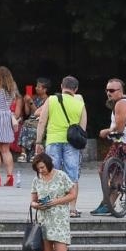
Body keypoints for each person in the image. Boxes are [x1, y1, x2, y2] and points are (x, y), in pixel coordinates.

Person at [35, 75, 86, 217]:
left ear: (61, 86)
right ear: (76, 89)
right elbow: (82, 128)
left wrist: (39, 142)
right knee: (72, 175)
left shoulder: (51, 100)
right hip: (72, 143)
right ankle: (72, 209)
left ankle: (50, 205)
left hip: (53, 141)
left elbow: (41, 122)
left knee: (51, 172)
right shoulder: (80, 104)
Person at [30, 152, 79, 251]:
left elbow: (72, 194)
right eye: (38, 168)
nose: (41, 170)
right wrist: (36, 205)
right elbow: (33, 200)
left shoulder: (61, 175)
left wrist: (56, 201)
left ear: (48, 164)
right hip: (43, 220)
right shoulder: (37, 180)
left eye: (42, 167)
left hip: (59, 220)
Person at [91, 77, 126, 216]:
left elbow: (119, 128)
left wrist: (105, 131)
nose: (108, 93)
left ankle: (109, 201)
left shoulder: (120, 104)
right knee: (118, 174)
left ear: (121, 90)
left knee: (104, 171)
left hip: (124, 143)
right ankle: (109, 201)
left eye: (112, 90)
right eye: (107, 90)